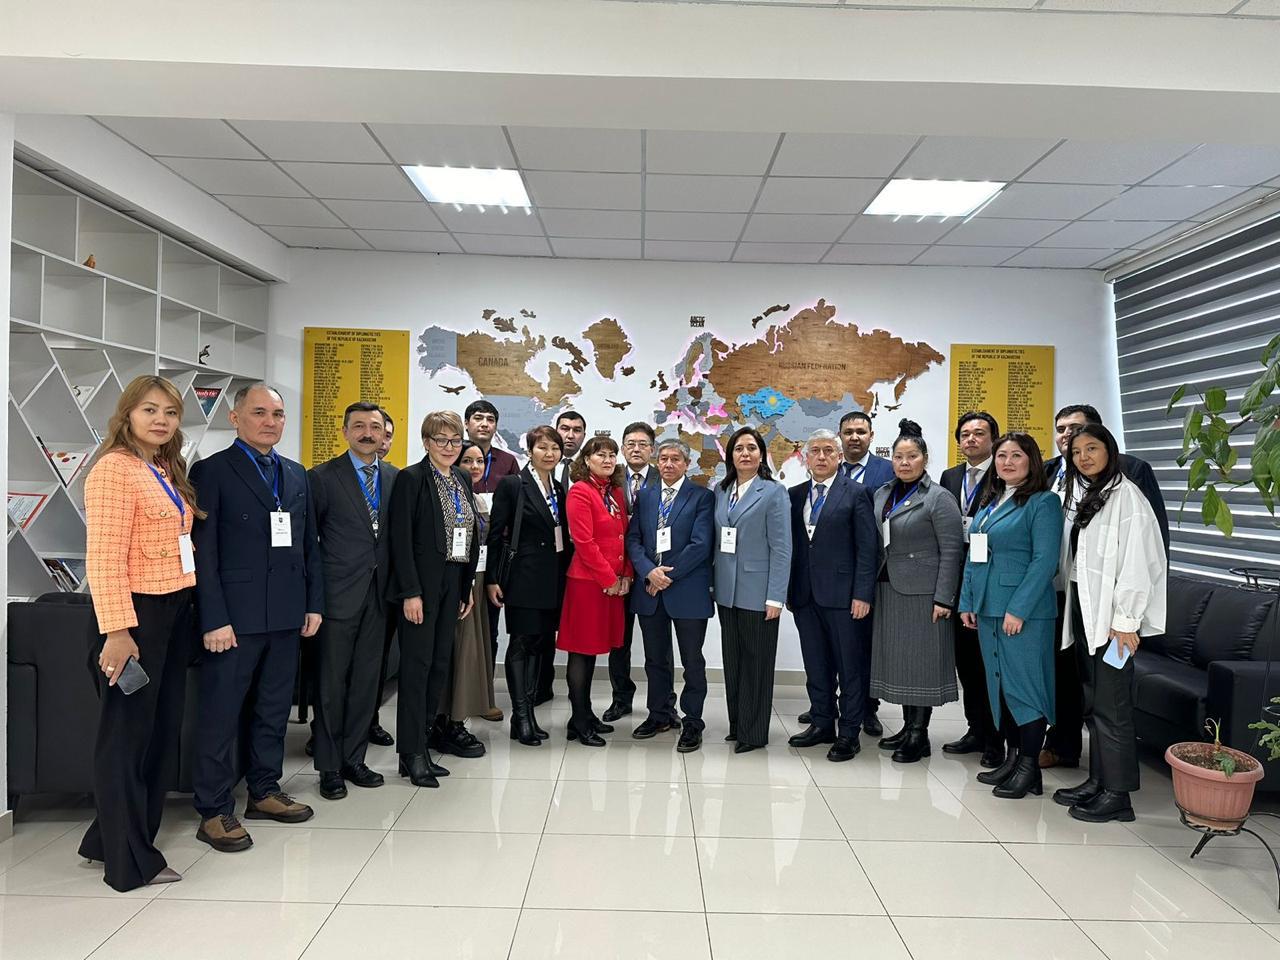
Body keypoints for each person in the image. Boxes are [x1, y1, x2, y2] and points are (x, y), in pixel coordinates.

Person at [79, 376, 202, 890]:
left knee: (157, 736)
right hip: (134, 619)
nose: (161, 420)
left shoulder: (161, 467)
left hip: (172, 612)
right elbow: (104, 558)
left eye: (170, 412)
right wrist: (117, 631)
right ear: (127, 413)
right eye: (150, 410)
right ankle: (128, 863)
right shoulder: (113, 470)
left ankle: (107, 840)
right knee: (126, 740)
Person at [190, 383, 323, 852]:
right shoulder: (211, 471)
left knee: (273, 709)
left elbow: (308, 545)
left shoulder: (295, 473)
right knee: (221, 715)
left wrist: (313, 603)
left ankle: (264, 790)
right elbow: (203, 553)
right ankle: (213, 809)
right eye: (260, 412)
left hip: (285, 613)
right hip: (234, 619)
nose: (270, 422)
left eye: (278, 414)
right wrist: (213, 617)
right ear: (235, 417)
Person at [1039, 403, 1169, 772]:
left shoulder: (1127, 490)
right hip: (1078, 603)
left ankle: (1115, 789)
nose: (1081, 454)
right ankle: (1095, 777)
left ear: (1108, 447)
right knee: (1086, 691)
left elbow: (1143, 557)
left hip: (1114, 614)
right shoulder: (1079, 485)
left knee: (1111, 700)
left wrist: (1128, 618)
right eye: (1074, 448)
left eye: (1090, 447)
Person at [959, 433, 1063, 800]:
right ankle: (1015, 759)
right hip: (988, 609)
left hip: (1024, 614)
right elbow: (975, 556)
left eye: (1016, 455)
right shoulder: (991, 502)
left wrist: (1018, 609)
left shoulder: (1043, 502)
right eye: (1001, 456)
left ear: (1032, 460)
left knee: (1026, 688)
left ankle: (1030, 767)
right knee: (1000, 687)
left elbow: (1044, 561)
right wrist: (967, 601)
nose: (1007, 462)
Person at [307, 402, 397, 800]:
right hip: (337, 597)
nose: (367, 433)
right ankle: (329, 766)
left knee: (366, 684)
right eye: (358, 426)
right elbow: (310, 545)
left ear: (383, 434)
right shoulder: (322, 478)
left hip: (380, 597)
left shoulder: (395, 478)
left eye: (374, 427)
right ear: (344, 432)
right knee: (331, 684)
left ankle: (354, 759)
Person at [387, 411, 481, 788]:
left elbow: (468, 535)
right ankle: (411, 752)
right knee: (416, 668)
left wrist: (465, 587)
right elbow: (400, 540)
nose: (449, 446)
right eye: (441, 439)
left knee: (439, 664)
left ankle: (421, 744)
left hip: (452, 581)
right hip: (421, 587)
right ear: (426, 442)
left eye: (455, 440)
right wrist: (410, 592)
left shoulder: (461, 478)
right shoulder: (411, 479)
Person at [869, 419, 964, 764]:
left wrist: (944, 598)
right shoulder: (883, 493)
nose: (904, 462)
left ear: (925, 458)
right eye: (898, 457)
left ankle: (919, 735)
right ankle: (908, 726)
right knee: (902, 662)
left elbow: (952, 551)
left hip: (924, 594)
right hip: (888, 589)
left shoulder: (938, 498)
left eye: (912, 456)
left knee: (921, 663)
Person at [786, 429, 878, 762]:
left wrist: (862, 594)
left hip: (845, 598)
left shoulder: (857, 493)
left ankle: (849, 732)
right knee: (816, 665)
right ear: (806, 458)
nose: (822, 456)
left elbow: (868, 549)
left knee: (850, 667)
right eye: (815, 451)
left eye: (828, 451)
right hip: (805, 596)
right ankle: (822, 722)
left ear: (839, 457)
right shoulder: (795, 495)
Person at [626, 438, 715, 752]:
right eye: (663, 458)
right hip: (650, 591)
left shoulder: (702, 497)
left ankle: (693, 722)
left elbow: (700, 545)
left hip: (687, 591)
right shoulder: (646, 496)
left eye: (675, 458)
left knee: (692, 660)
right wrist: (649, 571)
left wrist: (665, 576)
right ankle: (659, 714)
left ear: (686, 464)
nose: (668, 464)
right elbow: (633, 540)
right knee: (655, 659)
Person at [487, 426, 572, 745]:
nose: (549, 454)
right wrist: (492, 578)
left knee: (540, 643)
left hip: (553, 578)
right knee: (521, 643)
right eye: (542, 447)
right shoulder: (513, 484)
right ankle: (520, 717)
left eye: (555, 448)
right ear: (530, 451)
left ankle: (530, 713)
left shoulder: (559, 488)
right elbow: (496, 534)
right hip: (523, 577)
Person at [714, 426, 792, 753]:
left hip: (759, 593)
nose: (745, 453)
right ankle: (737, 725)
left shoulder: (773, 492)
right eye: (738, 448)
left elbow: (782, 548)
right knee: (733, 662)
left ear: (762, 455)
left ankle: (754, 733)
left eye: (751, 448)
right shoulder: (721, 490)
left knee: (756, 664)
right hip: (726, 592)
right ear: (730, 456)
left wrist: (776, 597)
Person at [938, 410, 1004, 768]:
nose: (971, 439)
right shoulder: (950, 477)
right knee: (966, 662)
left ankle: (996, 739)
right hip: (957, 578)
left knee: (989, 664)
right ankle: (975, 729)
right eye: (965, 434)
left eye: (979, 433)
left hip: (990, 577)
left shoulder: (1004, 472)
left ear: (993, 438)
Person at [558, 436, 633, 746]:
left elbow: (625, 537)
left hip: (613, 585)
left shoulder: (614, 492)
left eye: (612, 454)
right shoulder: (580, 491)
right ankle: (579, 720)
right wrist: (609, 579)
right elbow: (584, 542)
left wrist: (626, 575)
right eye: (600, 454)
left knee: (595, 651)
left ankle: (585, 715)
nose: (607, 459)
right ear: (586, 460)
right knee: (582, 651)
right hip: (588, 585)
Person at [831, 409, 894, 738]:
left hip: (872, 568)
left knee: (863, 644)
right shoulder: (829, 467)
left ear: (871, 436)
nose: (854, 437)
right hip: (831, 570)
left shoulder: (887, 470)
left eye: (861, 431)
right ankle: (828, 706)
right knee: (831, 643)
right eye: (848, 432)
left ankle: (867, 709)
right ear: (840, 436)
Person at [441, 442, 501, 741]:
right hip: (456, 579)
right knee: (457, 649)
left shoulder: (478, 500)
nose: (475, 467)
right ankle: (447, 717)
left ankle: (465, 711)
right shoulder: (449, 496)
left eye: (480, 461)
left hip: (478, 576)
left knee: (475, 648)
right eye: (468, 461)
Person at [464, 400, 519, 721]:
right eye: (478, 418)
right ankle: (457, 697)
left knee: (489, 630)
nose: (484, 423)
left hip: (495, 556)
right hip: (460, 558)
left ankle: (484, 695)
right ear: (467, 423)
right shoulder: (453, 456)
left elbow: (516, 509)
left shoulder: (508, 462)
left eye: (490, 419)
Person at [604, 421, 660, 723]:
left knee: (657, 643)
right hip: (618, 572)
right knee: (619, 641)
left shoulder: (664, 477)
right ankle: (621, 698)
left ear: (652, 449)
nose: (636, 449)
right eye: (630, 444)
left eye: (642, 444)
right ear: (623, 448)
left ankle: (662, 704)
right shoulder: (609, 478)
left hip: (653, 572)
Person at [369, 409, 397, 747]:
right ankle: (325, 729)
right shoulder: (329, 477)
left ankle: (370, 719)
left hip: (385, 589)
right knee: (336, 667)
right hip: (346, 589)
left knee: (378, 661)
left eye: (387, 435)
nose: (380, 440)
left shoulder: (395, 478)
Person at [553, 409, 587, 493]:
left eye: (577, 430)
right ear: (556, 432)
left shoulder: (591, 465)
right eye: (565, 429)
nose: (570, 436)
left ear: (584, 436)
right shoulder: (543, 463)